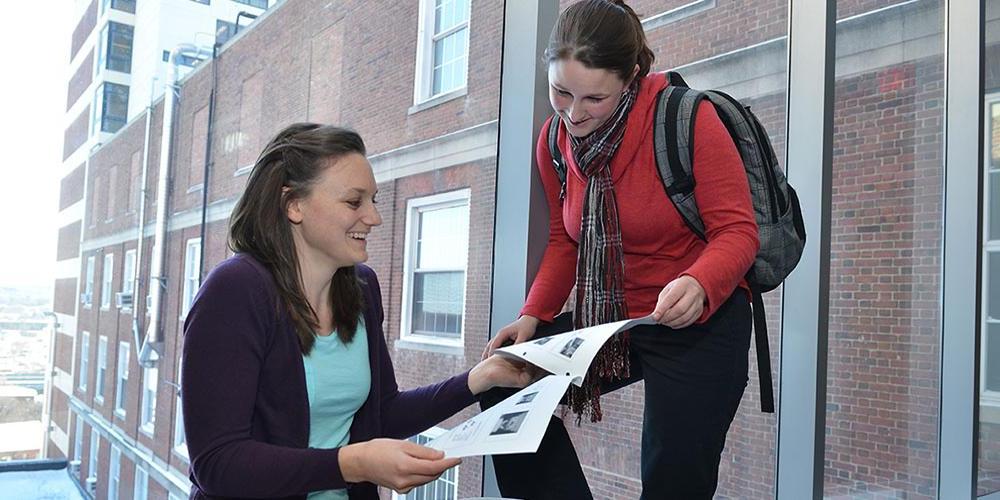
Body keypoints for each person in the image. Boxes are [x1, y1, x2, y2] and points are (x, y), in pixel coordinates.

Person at [480, 1, 760, 498]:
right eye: (560, 91)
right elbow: (566, 239)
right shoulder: (554, 142)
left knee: (672, 479)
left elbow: (738, 233)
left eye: (593, 98)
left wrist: (699, 282)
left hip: (700, 322)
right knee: (501, 380)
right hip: (614, 318)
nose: (572, 112)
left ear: (631, 77)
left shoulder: (687, 118)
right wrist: (533, 313)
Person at [182, 123, 534, 500]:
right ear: (293, 204)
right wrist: (352, 464)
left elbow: (381, 413)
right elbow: (218, 463)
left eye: (373, 200)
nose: (373, 217)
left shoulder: (361, 287)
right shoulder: (234, 291)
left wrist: (476, 380)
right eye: (354, 201)